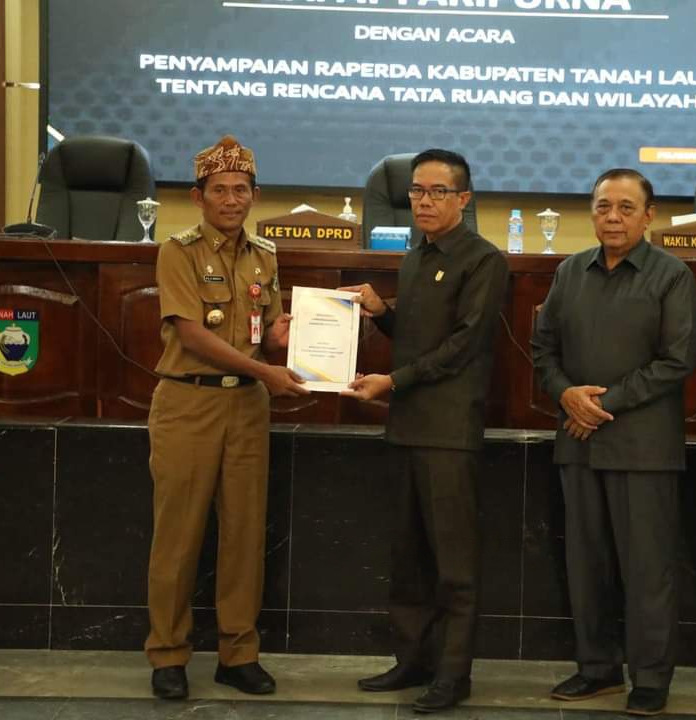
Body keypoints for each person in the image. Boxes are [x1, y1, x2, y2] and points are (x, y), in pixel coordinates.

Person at [340, 149, 509, 714]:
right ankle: (412, 660)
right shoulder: (415, 258)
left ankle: (453, 675)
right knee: (408, 557)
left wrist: (393, 380)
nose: (424, 201)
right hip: (407, 426)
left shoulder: (483, 260)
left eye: (437, 192)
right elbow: (415, 333)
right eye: (417, 191)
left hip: (449, 432)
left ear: (463, 199)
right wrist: (379, 312)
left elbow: (464, 345)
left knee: (454, 564)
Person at [144, 135, 308, 700]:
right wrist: (267, 373)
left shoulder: (265, 255)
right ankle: (168, 654)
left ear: (254, 195)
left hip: (247, 408)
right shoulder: (178, 250)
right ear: (198, 196)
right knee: (179, 536)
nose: (232, 199)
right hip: (189, 403)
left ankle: (238, 653)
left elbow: (270, 330)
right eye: (220, 190)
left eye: (242, 189)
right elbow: (190, 334)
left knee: (243, 534)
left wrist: (306, 333)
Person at [531, 168, 696, 716]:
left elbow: (676, 361)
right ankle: (596, 669)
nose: (613, 217)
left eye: (627, 208)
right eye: (604, 206)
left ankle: (649, 677)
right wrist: (567, 395)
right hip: (577, 444)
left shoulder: (671, 275)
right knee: (587, 565)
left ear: (649, 216)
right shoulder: (569, 271)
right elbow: (543, 350)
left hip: (642, 448)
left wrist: (600, 406)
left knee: (647, 570)